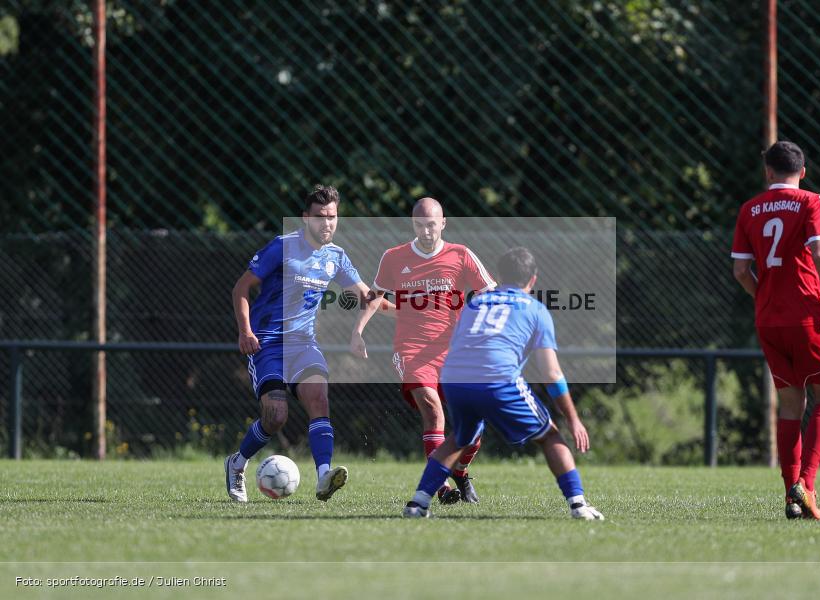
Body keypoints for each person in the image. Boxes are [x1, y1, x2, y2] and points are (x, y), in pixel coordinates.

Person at [401, 246, 602, 519]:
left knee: (458, 438)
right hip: (496, 378)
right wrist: (574, 419)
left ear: (498, 276)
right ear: (533, 279)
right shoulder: (536, 309)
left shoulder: (474, 304)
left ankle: (418, 503)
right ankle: (579, 506)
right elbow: (551, 374)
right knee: (550, 436)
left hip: (454, 378)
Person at [225, 185, 389, 503]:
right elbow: (240, 288)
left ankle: (323, 476)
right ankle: (237, 463)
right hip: (268, 343)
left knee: (319, 399)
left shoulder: (336, 257)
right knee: (275, 416)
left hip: (304, 343)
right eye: (319, 217)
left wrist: (417, 310)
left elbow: (369, 298)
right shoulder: (282, 247)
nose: (326, 223)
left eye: (332, 217)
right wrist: (245, 331)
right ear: (305, 218)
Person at [731, 141, 820, 520]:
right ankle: (807, 485)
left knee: (790, 404)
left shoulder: (749, 209)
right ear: (803, 171)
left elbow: (739, 271)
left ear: (768, 171)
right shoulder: (812, 201)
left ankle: (790, 497)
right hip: (806, 316)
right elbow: (818, 252)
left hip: (768, 319)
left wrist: (762, 295)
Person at [351, 197, 496, 504]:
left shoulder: (461, 255)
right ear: (413, 225)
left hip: (456, 352)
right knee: (432, 409)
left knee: (474, 424)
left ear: (443, 223)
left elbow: (490, 295)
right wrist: (358, 331)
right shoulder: (394, 257)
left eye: (432, 225)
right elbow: (376, 297)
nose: (426, 232)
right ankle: (440, 486)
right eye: (420, 225)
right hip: (412, 350)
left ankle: (461, 473)